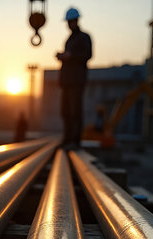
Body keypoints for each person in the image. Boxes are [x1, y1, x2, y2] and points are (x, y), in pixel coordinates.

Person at [56, 7, 92, 149]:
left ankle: (75, 141)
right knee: (65, 111)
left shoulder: (84, 37)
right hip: (66, 82)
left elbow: (87, 55)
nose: (68, 24)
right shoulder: (69, 39)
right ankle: (67, 139)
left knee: (75, 111)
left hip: (76, 81)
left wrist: (70, 56)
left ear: (75, 21)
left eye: (70, 21)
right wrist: (62, 57)